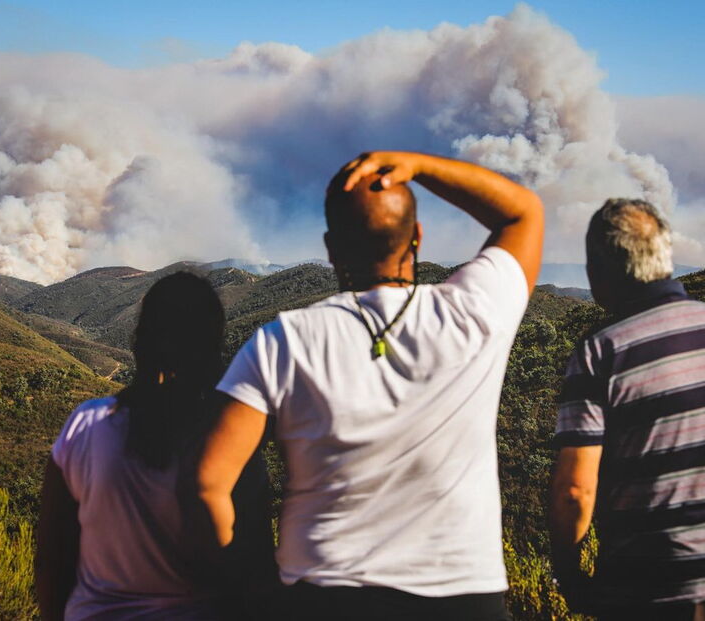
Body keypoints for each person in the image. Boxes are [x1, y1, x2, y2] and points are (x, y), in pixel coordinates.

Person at [196, 151, 544, 621]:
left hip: (324, 595)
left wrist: (252, 589)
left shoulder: (285, 339)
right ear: (417, 237)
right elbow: (523, 211)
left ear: (330, 248)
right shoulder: (475, 314)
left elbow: (208, 483)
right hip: (462, 595)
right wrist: (417, 166)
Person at [549, 198, 705, 620]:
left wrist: (569, 578)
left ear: (598, 270)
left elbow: (576, 491)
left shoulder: (601, 352)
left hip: (652, 591)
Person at [35, 272, 276, 621]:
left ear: (140, 340)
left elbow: (51, 560)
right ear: (214, 345)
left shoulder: (86, 424)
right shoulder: (229, 443)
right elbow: (254, 570)